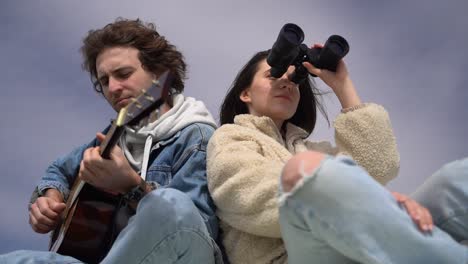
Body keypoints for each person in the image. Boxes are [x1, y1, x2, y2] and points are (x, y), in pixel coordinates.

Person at [0, 18, 222, 263]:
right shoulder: (109, 138)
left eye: (123, 74)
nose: (113, 88)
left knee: (173, 204)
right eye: (104, 81)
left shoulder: (197, 137)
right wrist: (50, 198)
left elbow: (194, 227)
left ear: (159, 74)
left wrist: (133, 187)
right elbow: (59, 170)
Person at [206, 48, 402, 264]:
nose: (287, 82)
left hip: (344, 250)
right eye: (273, 74)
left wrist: (342, 84)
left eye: (296, 79)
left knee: (446, 185)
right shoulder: (231, 137)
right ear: (246, 94)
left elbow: (377, 167)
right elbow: (245, 193)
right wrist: (359, 200)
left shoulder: (315, 152)